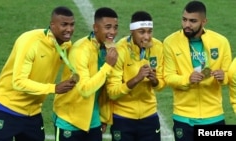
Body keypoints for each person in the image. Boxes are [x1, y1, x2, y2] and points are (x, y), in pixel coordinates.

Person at [0, 6, 77, 141]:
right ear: (52, 25)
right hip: (7, 108)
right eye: (64, 25)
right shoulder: (30, 42)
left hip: (33, 112)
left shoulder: (65, 45)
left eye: (72, 25)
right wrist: (54, 88)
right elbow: (18, 82)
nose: (69, 29)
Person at [163, 1, 232, 141]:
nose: (187, 25)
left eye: (193, 21)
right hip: (183, 117)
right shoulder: (170, 42)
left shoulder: (221, 42)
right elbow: (168, 76)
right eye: (184, 19)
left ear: (204, 21)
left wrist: (223, 76)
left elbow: (229, 75)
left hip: (214, 116)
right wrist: (187, 79)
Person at [52, 7, 118, 141]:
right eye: (108, 27)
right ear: (95, 27)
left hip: (93, 121)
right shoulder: (80, 51)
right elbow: (85, 90)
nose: (112, 32)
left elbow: (105, 86)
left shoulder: (108, 48)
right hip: (70, 121)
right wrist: (108, 66)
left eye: (115, 27)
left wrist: (103, 117)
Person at [105, 11, 165, 141]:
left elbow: (161, 85)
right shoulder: (119, 50)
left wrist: (155, 81)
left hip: (149, 116)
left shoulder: (158, 47)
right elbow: (112, 92)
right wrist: (136, 79)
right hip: (123, 118)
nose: (147, 36)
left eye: (150, 31)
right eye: (142, 32)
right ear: (132, 31)